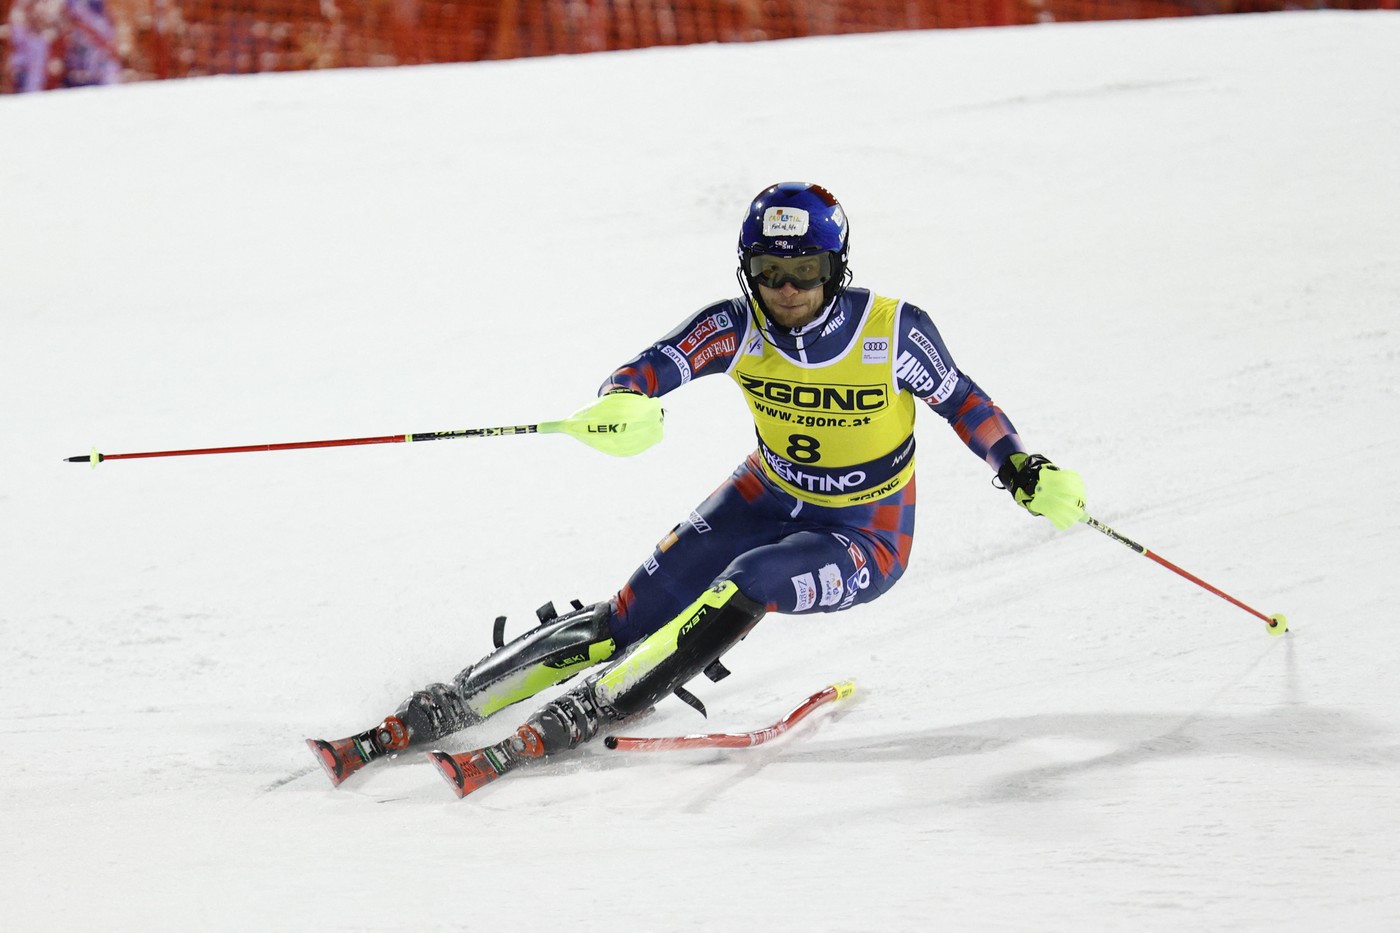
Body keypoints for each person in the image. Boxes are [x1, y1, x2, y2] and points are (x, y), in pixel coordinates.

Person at [308, 182, 1086, 791]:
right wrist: (623, 402)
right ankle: (453, 701)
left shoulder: (889, 331)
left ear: (836, 268)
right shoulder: (737, 323)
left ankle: (598, 705)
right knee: (623, 617)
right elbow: (654, 365)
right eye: (767, 272)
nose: (784, 290)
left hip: (865, 533)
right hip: (765, 492)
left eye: (804, 273)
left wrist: (1021, 465)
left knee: (748, 580)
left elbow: (965, 402)